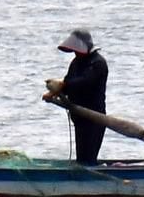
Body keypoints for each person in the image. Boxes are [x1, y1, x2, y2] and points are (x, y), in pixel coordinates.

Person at [42, 28, 108, 164]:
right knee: (81, 158)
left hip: (94, 117)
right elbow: (68, 82)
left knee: (88, 158)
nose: (75, 53)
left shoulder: (97, 63)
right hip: (79, 117)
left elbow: (83, 83)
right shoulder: (76, 62)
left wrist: (62, 85)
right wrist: (53, 93)